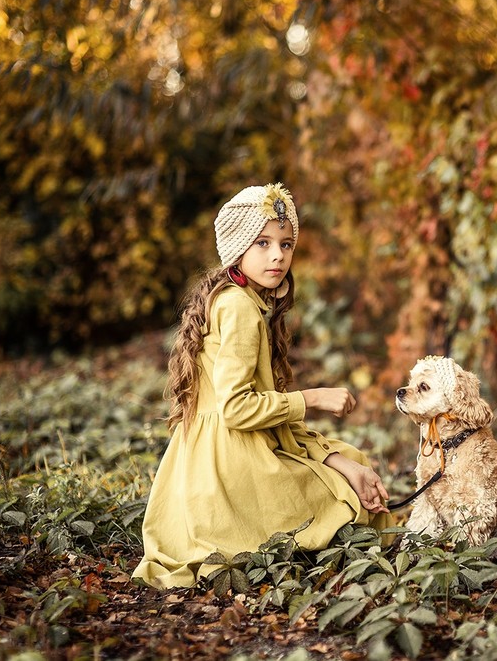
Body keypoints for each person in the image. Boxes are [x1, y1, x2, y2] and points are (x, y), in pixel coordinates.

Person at [133, 182, 392, 589]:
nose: (278, 255)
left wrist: (337, 459)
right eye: (262, 243)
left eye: (286, 244)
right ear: (238, 248)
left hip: (211, 463)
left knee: (349, 462)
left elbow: (264, 412)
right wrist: (313, 398)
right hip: (230, 472)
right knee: (348, 500)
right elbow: (238, 408)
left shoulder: (240, 298)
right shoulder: (239, 308)